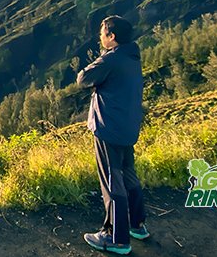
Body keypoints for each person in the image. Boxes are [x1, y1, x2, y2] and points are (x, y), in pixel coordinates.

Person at [76, 15, 149, 255]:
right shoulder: (132, 56)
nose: (100, 37)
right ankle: (137, 225)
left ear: (112, 36)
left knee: (112, 180)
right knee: (128, 175)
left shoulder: (112, 58)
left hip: (109, 126)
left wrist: (99, 61)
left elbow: (83, 78)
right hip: (127, 125)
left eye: (103, 33)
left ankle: (115, 237)